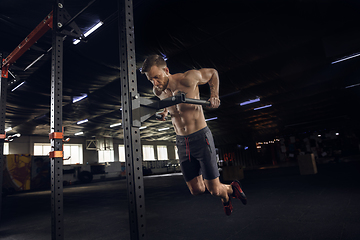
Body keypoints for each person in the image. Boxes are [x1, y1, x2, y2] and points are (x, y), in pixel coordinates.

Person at [141, 55, 247, 216]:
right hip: (182, 142)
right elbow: (167, 103)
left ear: (166, 70)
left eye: (157, 77)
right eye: (151, 80)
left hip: (200, 138)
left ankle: (228, 193)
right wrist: (164, 111)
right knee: (196, 190)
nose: (155, 83)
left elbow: (213, 73)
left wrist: (214, 95)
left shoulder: (188, 79)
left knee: (213, 190)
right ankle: (230, 189)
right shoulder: (158, 90)